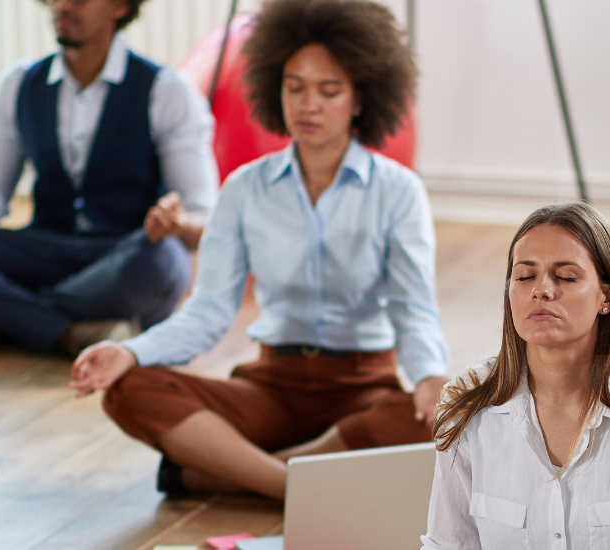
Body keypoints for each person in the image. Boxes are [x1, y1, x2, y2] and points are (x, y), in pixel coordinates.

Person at [68, 0, 448, 501]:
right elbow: (206, 314)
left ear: (360, 98)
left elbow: (414, 310)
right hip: (269, 388)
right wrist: (130, 351)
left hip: (362, 391)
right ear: (275, 88)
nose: (308, 104)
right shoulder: (244, 188)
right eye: (295, 88)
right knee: (129, 388)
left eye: (328, 90)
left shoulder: (398, 190)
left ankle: (224, 474)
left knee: (432, 419)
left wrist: (430, 377)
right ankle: (293, 486)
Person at [421, 202, 610, 549]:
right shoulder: (466, 404)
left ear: (605, 297)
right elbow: (448, 543)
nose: (542, 290)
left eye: (565, 276)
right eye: (525, 276)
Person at [0, 0, 219, 356]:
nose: (62, 5)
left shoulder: (167, 90)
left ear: (120, 6)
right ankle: (68, 331)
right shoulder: (19, 84)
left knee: (163, 261)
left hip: (122, 254)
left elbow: (205, 222)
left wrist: (178, 222)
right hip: (42, 250)